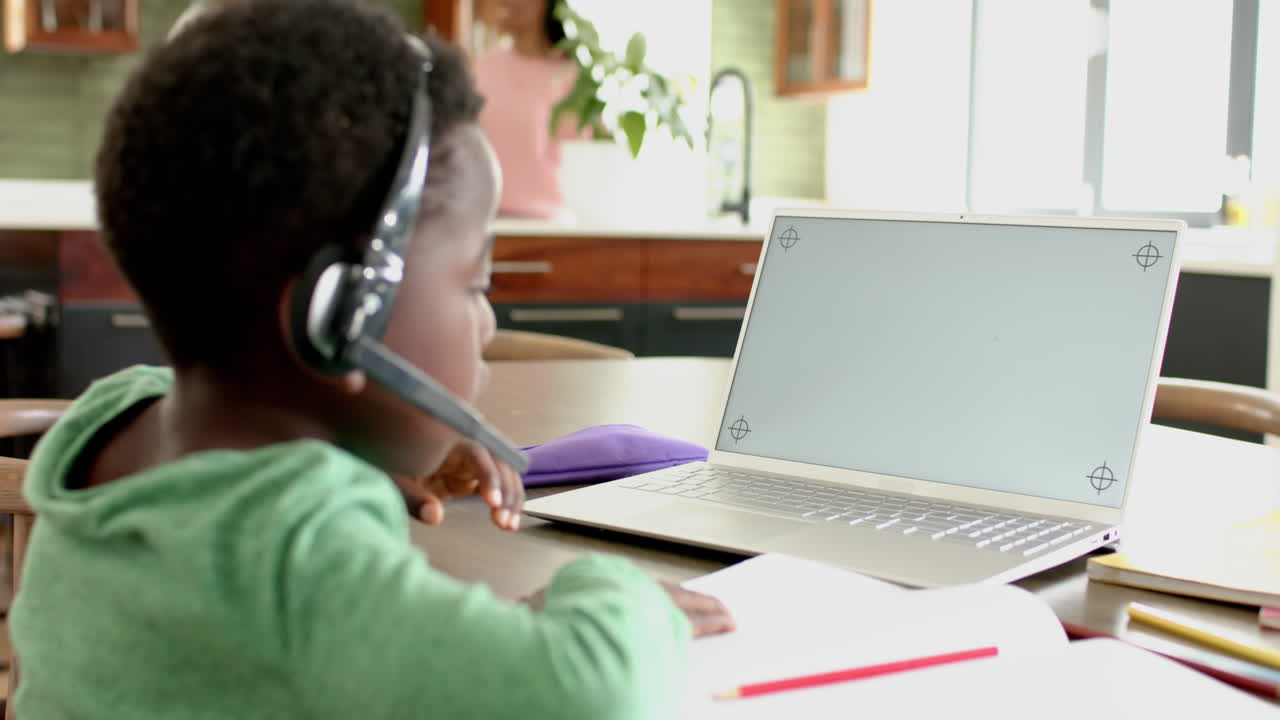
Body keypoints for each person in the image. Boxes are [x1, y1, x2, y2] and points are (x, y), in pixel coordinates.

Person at [7, 1, 732, 717]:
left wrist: (363, 467)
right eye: (475, 282)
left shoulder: (115, 419)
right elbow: (588, 692)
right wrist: (607, 592)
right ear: (338, 311)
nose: (488, 322)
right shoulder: (300, 545)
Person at [472, 0, 581, 221]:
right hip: (485, 219)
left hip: (547, 223)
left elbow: (583, 160)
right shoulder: (482, 67)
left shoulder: (571, 78)